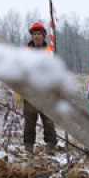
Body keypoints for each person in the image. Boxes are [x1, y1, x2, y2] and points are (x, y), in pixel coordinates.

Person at [22, 21, 59, 152]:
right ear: (32, 36)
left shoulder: (50, 52)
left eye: (39, 33)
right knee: (29, 122)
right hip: (30, 93)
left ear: (44, 36)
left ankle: (51, 145)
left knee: (48, 121)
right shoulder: (24, 53)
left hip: (46, 93)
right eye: (34, 33)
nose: (37, 36)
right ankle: (28, 147)